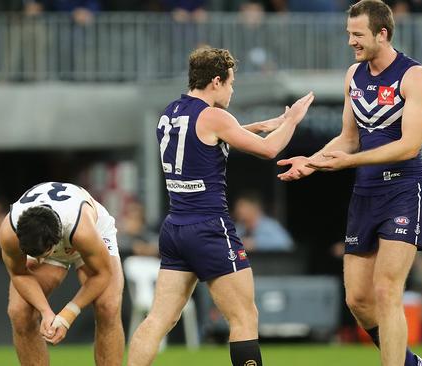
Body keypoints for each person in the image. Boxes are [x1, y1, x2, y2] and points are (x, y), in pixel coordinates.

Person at [127, 46, 314, 366]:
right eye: (230, 83)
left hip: (175, 228)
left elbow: (209, 137)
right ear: (216, 81)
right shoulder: (214, 115)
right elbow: (269, 150)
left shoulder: (170, 112)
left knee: (158, 320)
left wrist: (260, 125)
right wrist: (292, 120)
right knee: (244, 317)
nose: (231, 90)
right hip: (209, 227)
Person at [277, 1, 422, 365]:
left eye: (358, 34)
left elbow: (409, 145)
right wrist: (312, 162)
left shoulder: (416, 76)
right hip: (365, 192)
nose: (351, 41)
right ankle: (411, 363)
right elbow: (349, 139)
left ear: (382, 33)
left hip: (403, 190)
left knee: (386, 290)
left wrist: (351, 162)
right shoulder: (353, 75)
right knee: (358, 300)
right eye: (349, 33)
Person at [0, 181, 124, 366]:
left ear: (55, 243)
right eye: (34, 256)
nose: (39, 262)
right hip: (49, 235)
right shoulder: (10, 233)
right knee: (20, 312)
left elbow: (101, 275)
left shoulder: (82, 231)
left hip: (93, 232)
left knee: (108, 307)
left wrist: (68, 314)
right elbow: (18, 274)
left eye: (43, 256)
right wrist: (46, 312)